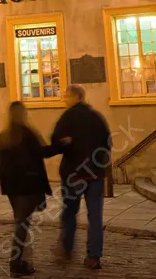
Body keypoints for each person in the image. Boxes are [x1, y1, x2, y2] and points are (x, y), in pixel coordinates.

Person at [51, 84, 111, 271]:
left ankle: (67, 248)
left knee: (69, 213)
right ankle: (94, 256)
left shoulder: (68, 117)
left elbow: (56, 142)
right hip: (94, 174)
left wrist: (64, 145)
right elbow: (107, 143)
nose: (64, 99)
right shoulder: (96, 117)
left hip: (74, 174)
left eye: (66, 95)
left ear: (76, 97)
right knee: (95, 216)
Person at [0, 101, 58, 277]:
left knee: (21, 222)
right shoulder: (27, 134)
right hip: (27, 186)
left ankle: (23, 259)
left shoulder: (5, 135)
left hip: (12, 188)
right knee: (22, 225)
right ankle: (16, 262)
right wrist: (61, 144)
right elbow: (42, 152)